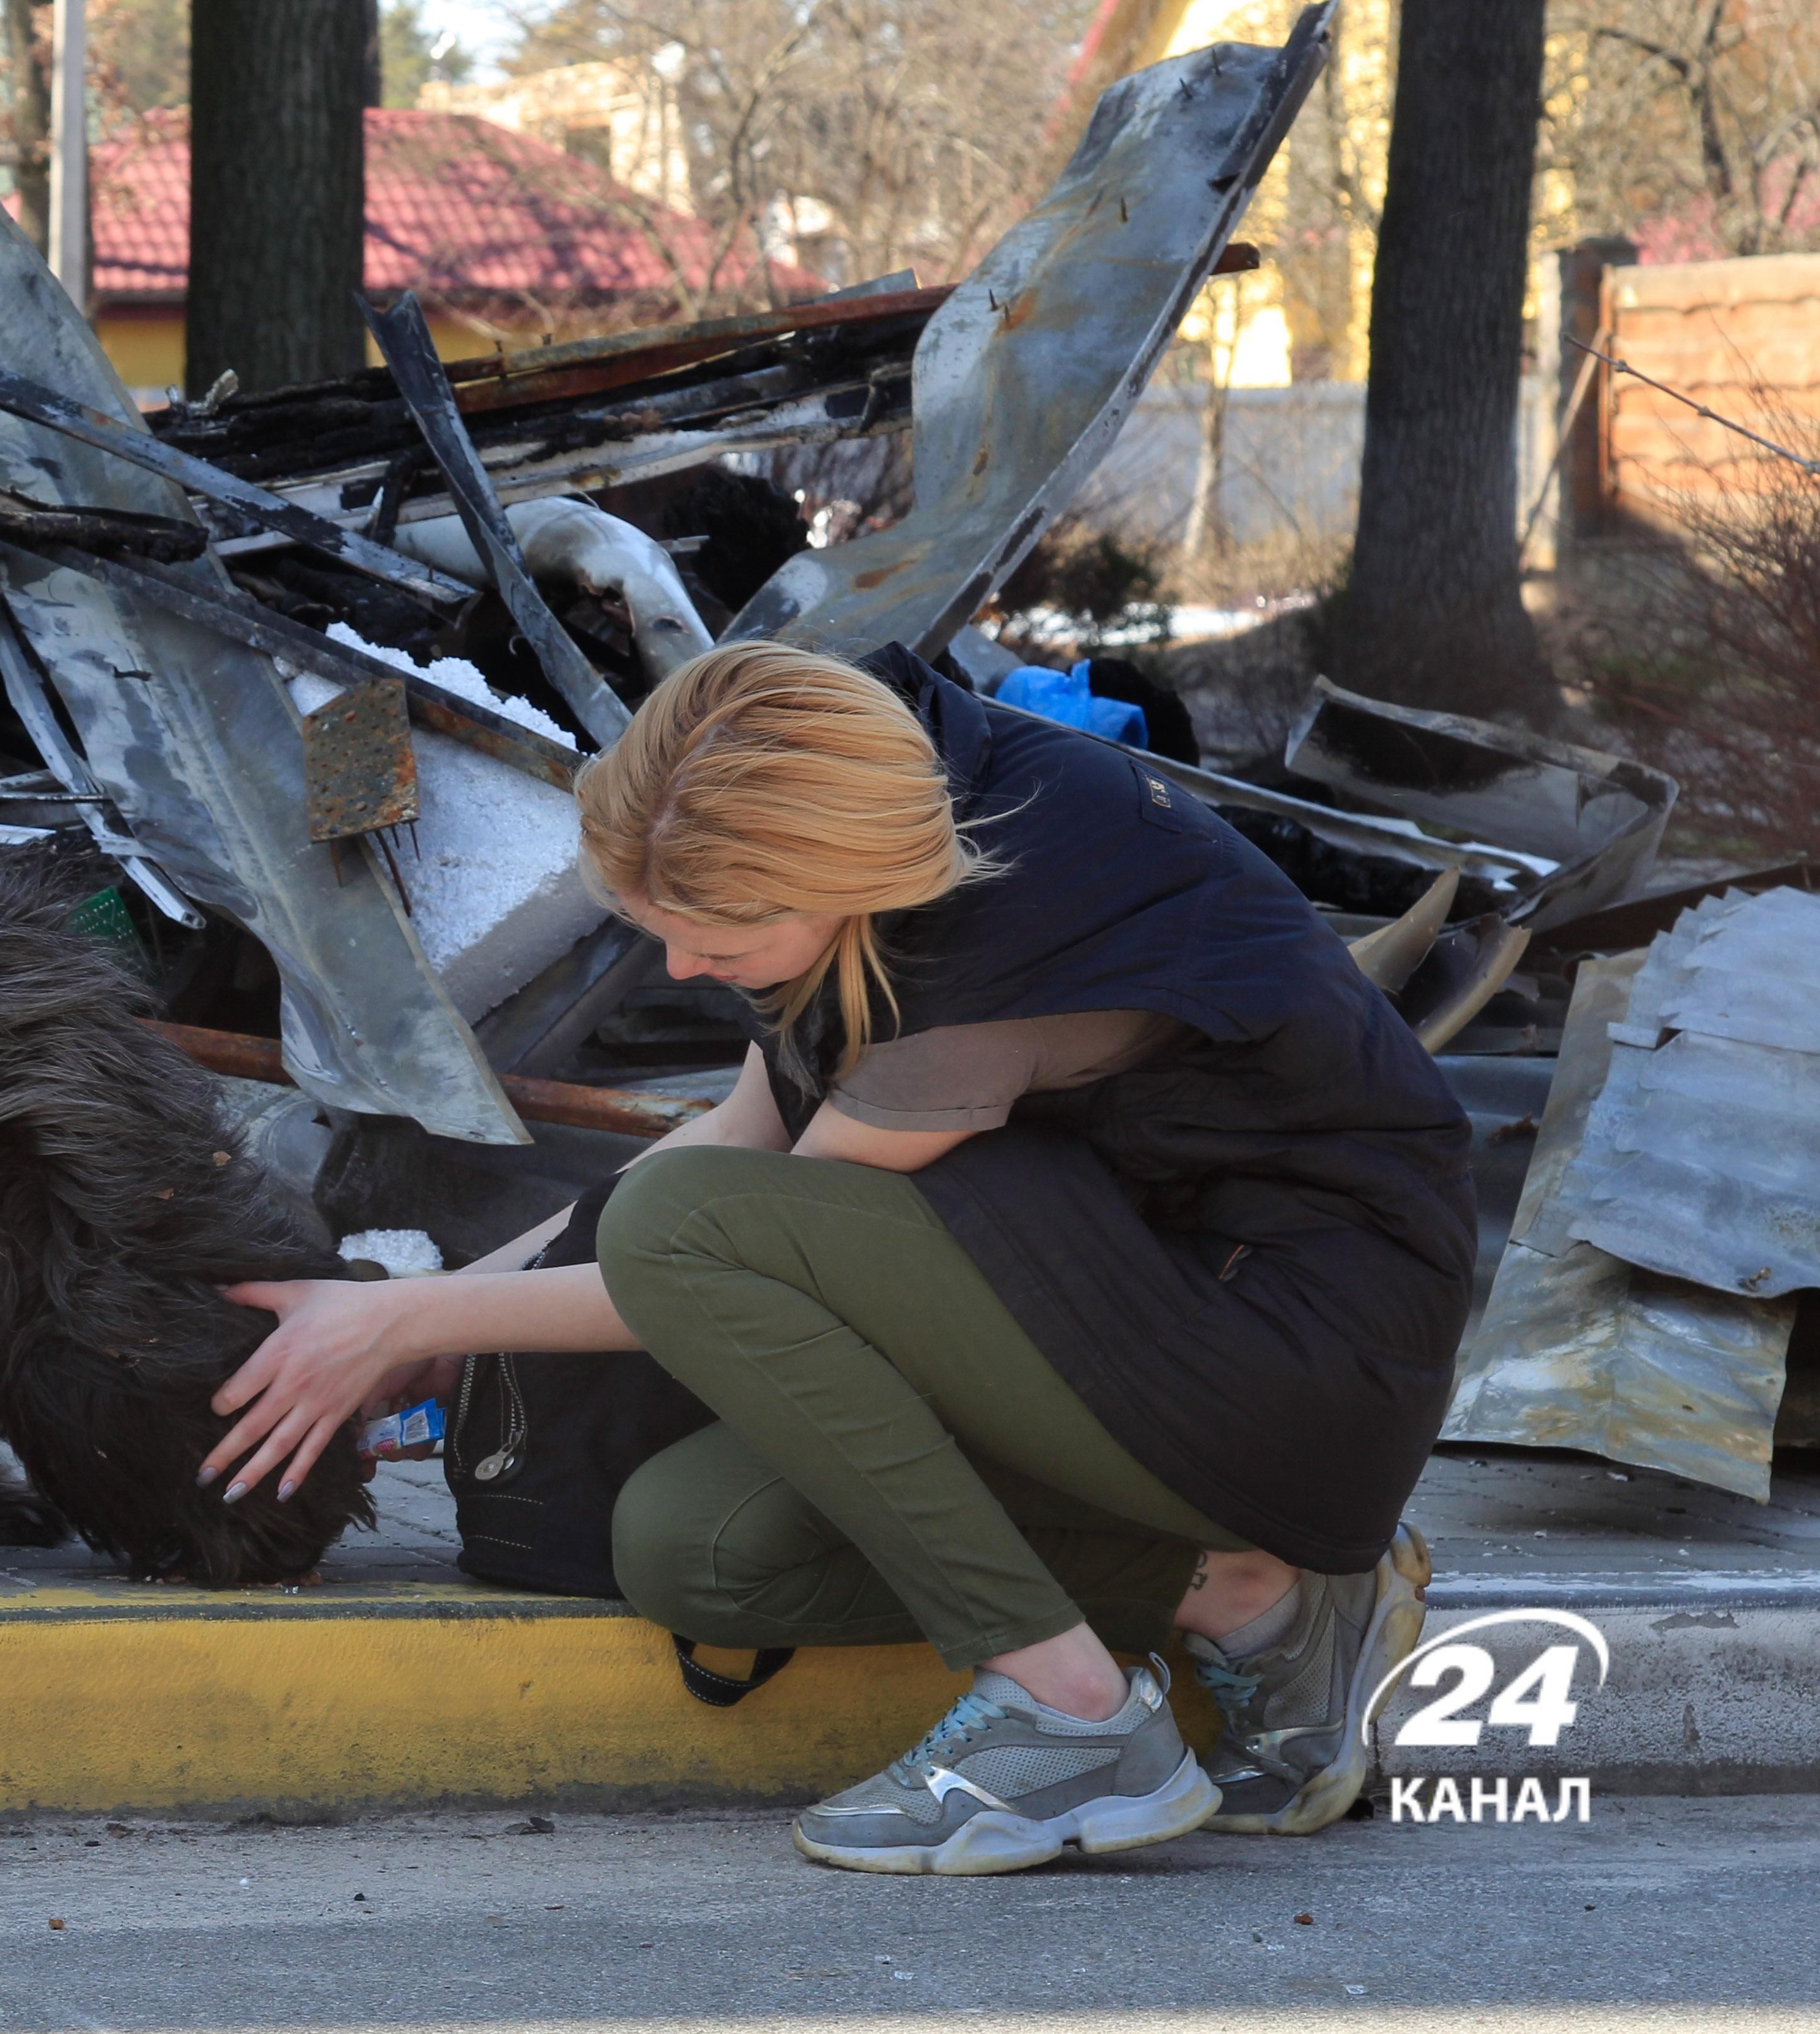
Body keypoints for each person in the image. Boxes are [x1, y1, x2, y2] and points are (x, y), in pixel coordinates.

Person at [202, 640, 1475, 1876]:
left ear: (837, 876)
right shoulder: (859, 808)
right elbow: (734, 1138)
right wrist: (419, 1316)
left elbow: (715, 1258)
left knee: (680, 1228)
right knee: (691, 1544)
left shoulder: (992, 955)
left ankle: (1071, 1714)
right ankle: (1255, 1598)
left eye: (719, 942)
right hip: (1144, 1290)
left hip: (1297, 1356)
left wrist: (407, 1326)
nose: (686, 968)